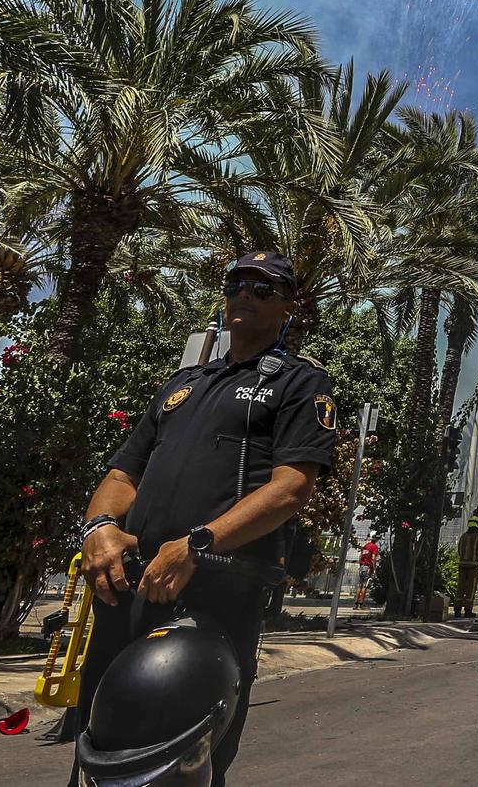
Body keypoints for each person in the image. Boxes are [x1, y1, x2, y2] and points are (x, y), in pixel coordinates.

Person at [73, 250, 337, 787]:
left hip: (215, 596)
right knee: (99, 748)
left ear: (288, 306)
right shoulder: (181, 385)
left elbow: (290, 488)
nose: (246, 293)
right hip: (128, 590)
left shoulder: (299, 384)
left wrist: (196, 543)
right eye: (238, 282)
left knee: (183, 759)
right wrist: (98, 528)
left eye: (264, 288)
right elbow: (122, 477)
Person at [454, 517, 478, 617]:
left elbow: (459, 551)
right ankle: (468, 610)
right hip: (473, 566)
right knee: (471, 588)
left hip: (462, 565)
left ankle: (457, 610)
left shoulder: (463, 536)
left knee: (460, 587)